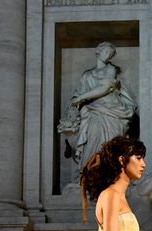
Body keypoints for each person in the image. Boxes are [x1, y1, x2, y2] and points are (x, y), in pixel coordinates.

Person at [58, 42, 138, 188]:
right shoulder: (86, 75)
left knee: (112, 144)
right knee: (92, 141)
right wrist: (74, 105)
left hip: (113, 112)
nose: (108, 55)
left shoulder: (110, 69)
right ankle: (90, 174)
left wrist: (81, 98)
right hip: (93, 112)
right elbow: (78, 94)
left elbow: (105, 87)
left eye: (111, 54)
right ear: (98, 51)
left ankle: (113, 177)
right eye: (106, 52)